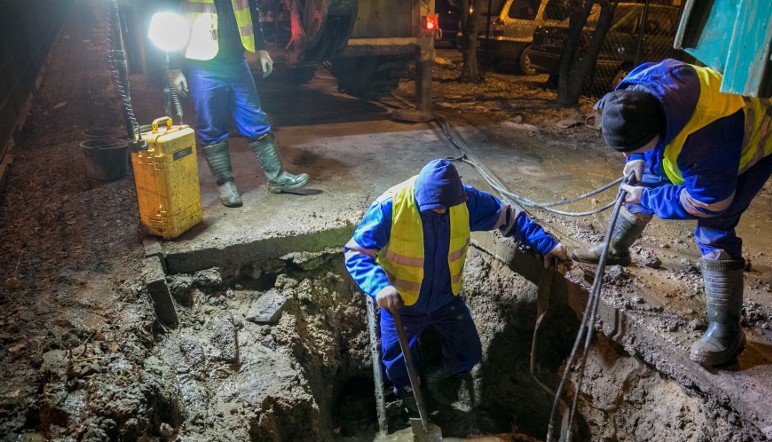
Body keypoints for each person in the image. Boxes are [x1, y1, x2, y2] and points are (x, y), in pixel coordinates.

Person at [572, 59, 772, 368]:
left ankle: (727, 332)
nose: (623, 155)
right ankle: (615, 250)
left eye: (632, 147)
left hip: (759, 135)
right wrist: (636, 157)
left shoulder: (707, 138)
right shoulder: (636, 87)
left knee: (715, 225)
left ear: (660, 131)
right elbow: (625, 120)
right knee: (644, 179)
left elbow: (708, 201)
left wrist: (649, 199)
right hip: (690, 130)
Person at [344, 159, 569, 417]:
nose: (442, 212)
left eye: (446, 208)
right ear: (420, 194)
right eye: (435, 208)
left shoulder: (464, 201)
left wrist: (545, 243)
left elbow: (511, 218)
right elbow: (356, 253)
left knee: (469, 354)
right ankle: (409, 393)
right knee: (397, 365)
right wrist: (379, 286)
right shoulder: (390, 208)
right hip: (401, 303)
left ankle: (435, 377)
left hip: (445, 298)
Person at [167, 0, 310, 207]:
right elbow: (172, 21)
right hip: (202, 64)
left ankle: (277, 178)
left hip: (237, 60)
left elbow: (252, 10)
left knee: (255, 118)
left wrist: (261, 50)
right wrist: (174, 67)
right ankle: (226, 185)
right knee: (210, 125)